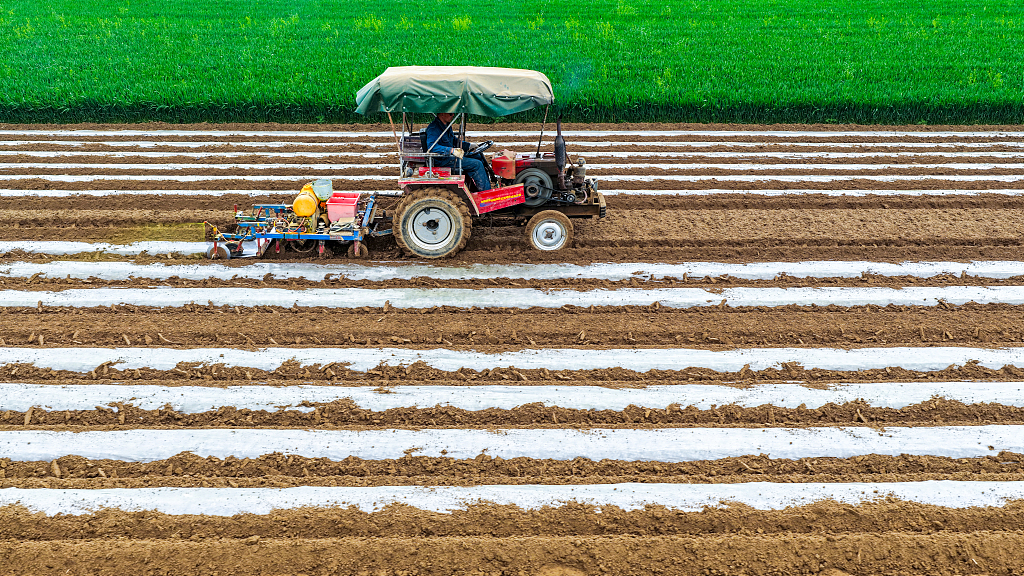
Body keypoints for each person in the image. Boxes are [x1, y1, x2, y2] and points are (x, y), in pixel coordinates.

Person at [424, 112, 491, 191]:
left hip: (449, 157)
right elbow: (432, 147)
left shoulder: (446, 126)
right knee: (477, 164)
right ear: (442, 114)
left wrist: (469, 145)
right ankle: (485, 193)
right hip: (442, 160)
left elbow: (454, 141)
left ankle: (477, 186)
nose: (453, 115)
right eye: (450, 114)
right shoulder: (434, 129)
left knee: (478, 156)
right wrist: (451, 150)